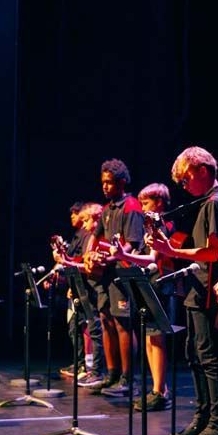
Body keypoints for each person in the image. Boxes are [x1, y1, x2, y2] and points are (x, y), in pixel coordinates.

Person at [149, 146, 218, 435]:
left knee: (209, 359)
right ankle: (203, 417)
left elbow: (213, 253)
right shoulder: (206, 203)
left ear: (202, 170)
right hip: (196, 290)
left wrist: (171, 251)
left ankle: (217, 426)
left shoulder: (216, 204)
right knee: (195, 356)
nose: (183, 187)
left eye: (185, 180)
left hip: (208, 292)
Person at [109, 183, 174, 411]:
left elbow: (154, 259)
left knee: (156, 338)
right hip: (150, 284)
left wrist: (124, 255)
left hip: (161, 285)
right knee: (148, 338)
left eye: (146, 203)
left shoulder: (163, 226)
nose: (142, 207)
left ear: (159, 202)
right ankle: (157, 388)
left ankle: (160, 390)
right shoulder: (151, 228)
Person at [91, 159, 145, 397]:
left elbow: (132, 244)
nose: (104, 186)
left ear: (122, 182)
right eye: (103, 182)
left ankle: (128, 379)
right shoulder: (107, 209)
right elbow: (96, 238)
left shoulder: (131, 206)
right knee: (106, 320)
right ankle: (112, 374)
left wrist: (111, 258)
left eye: (109, 182)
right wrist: (91, 256)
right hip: (106, 274)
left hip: (122, 273)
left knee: (123, 324)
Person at [53, 201, 104, 381]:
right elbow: (81, 261)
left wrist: (65, 261)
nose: (84, 224)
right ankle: (87, 366)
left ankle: (95, 370)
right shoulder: (88, 237)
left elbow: (87, 266)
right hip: (81, 287)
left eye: (86, 220)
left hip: (93, 289)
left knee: (95, 330)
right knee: (79, 327)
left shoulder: (95, 238)